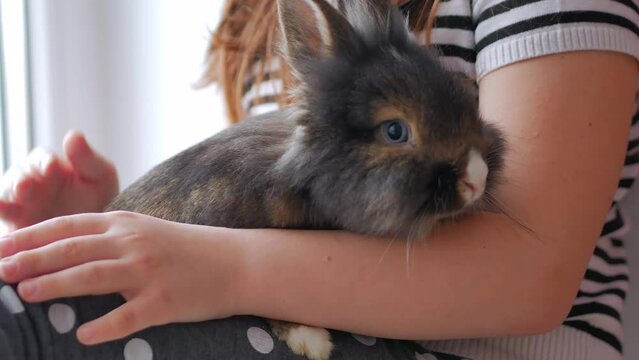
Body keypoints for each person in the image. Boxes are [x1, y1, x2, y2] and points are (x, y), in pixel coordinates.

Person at [0, 0, 637, 359]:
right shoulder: (257, 22)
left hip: (492, 350)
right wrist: (111, 221)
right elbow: (290, 223)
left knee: (17, 323)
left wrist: (221, 267)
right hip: (308, 331)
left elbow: (531, 275)